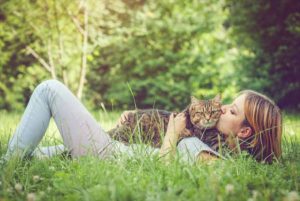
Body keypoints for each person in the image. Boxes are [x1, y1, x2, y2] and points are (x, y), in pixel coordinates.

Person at [3, 80, 282, 164]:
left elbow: (165, 167)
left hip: (106, 156)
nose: (221, 111)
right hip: (112, 145)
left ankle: (7, 168)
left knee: (49, 89)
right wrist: (136, 120)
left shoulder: (212, 157)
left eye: (231, 111)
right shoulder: (207, 140)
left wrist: (172, 134)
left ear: (245, 131)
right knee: (29, 156)